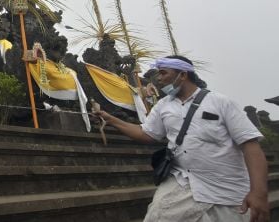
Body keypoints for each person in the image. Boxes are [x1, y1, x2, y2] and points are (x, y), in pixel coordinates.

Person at [93, 55, 269, 222]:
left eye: (163, 73)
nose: (158, 79)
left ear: (183, 75)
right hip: (184, 181)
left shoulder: (221, 102)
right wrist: (111, 119)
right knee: (158, 215)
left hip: (227, 186)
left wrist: (259, 192)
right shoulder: (163, 105)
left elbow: (250, 146)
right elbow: (146, 133)